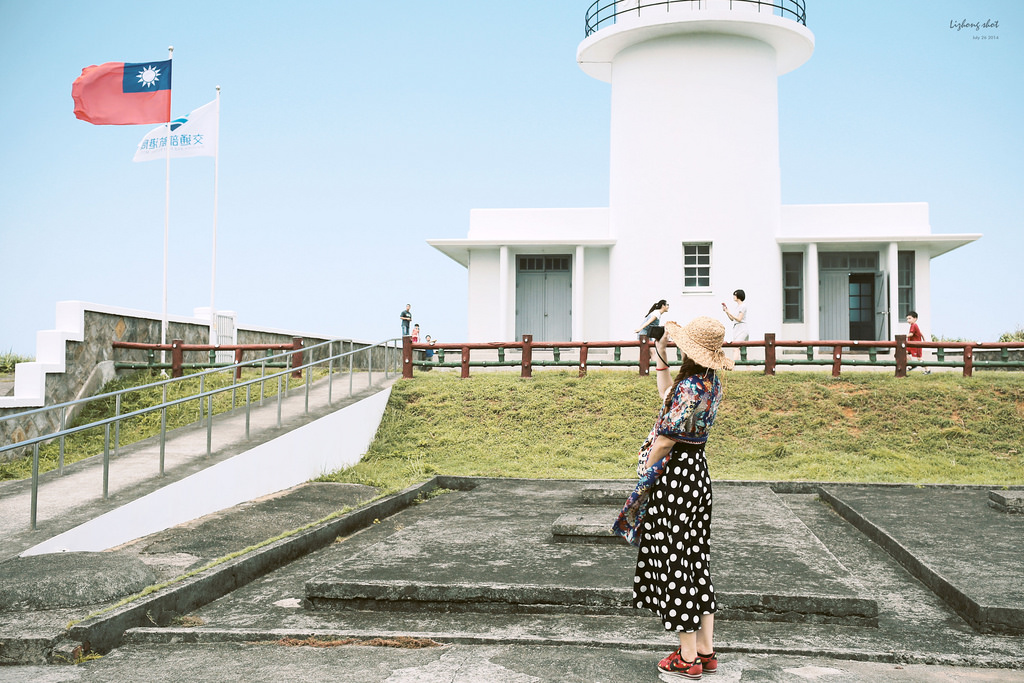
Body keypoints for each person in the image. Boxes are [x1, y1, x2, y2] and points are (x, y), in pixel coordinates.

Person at [613, 316, 733, 680]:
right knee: (696, 559)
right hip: (697, 474)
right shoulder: (710, 383)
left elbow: (666, 438)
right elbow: (667, 395)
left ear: (691, 350)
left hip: (676, 477)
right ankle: (706, 651)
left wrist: (646, 472)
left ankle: (687, 657)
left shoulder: (689, 387)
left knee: (675, 561)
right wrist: (660, 352)